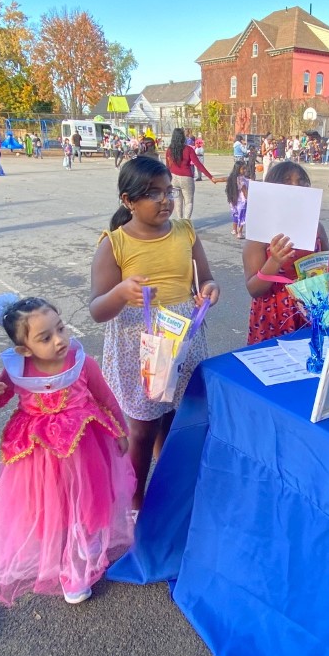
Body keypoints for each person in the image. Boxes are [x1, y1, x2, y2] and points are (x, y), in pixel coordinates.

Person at [0, 294, 135, 606]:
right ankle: (62, 555)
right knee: (53, 508)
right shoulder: (17, 371)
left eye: (60, 329)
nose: (59, 340)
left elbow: (105, 397)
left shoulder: (81, 362)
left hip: (84, 449)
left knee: (87, 500)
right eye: (45, 337)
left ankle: (77, 564)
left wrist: (120, 430)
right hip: (40, 458)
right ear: (24, 348)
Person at [89, 156, 220, 503]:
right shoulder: (114, 244)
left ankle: (167, 488)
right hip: (140, 347)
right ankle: (135, 505)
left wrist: (207, 289)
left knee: (177, 419)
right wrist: (119, 293)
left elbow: (204, 278)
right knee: (142, 429)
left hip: (182, 340)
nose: (165, 200)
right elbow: (97, 309)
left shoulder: (185, 232)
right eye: (152, 194)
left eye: (168, 191)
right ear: (128, 201)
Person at [243, 161, 329, 344]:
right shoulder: (259, 234)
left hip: (311, 309)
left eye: (301, 182)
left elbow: (325, 280)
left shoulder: (316, 229)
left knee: (312, 360)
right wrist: (274, 262)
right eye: (286, 181)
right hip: (274, 314)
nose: (295, 186)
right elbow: (254, 289)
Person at [165, 126, 217, 220]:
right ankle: (186, 222)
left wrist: (166, 181)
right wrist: (210, 177)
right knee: (188, 202)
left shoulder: (169, 150)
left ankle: (180, 222)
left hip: (173, 178)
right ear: (182, 137)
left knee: (178, 201)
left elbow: (167, 167)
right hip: (186, 178)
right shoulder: (188, 149)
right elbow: (198, 164)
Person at [225, 157, 253, 239]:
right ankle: (240, 233)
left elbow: (224, 179)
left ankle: (234, 230)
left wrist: (215, 180)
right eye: (243, 169)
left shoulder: (232, 178)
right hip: (242, 202)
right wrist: (250, 200)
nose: (245, 171)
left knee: (235, 215)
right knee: (242, 217)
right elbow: (245, 192)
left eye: (245, 169)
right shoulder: (242, 181)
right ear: (238, 170)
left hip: (233, 201)